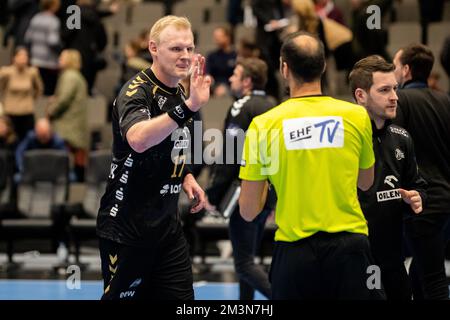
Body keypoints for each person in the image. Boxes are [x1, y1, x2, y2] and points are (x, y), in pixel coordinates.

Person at [238, 31, 383, 300]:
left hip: (295, 255)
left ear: (284, 68)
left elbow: (248, 211)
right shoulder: (357, 116)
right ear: (324, 65)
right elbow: (366, 182)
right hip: (351, 251)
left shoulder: (263, 126)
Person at [96, 15, 211, 300]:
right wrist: (189, 106)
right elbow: (138, 139)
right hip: (127, 229)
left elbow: (170, 144)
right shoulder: (136, 91)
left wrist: (185, 175)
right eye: (176, 49)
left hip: (167, 229)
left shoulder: (181, 92)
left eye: (189, 48)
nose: (185, 56)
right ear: (154, 49)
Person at [349, 55, 427, 300]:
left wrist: (416, 198)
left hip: (392, 260)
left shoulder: (402, 137)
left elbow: (418, 186)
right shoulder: (343, 142)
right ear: (360, 95)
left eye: (395, 88)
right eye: (384, 90)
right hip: (353, 260)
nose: (395, 96)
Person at [205, 57, 275, 300]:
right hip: (269, 193)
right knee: (248, 255)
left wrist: (213, 193)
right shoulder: (272, 105)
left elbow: (230, 155)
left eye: (235, 74)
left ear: (246, 81)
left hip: (245, 192)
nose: (231, 79)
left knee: (243, 263)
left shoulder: (241, 106)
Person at [393, 43, 450, 300]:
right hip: (446, 202)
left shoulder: (401, 101)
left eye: (394, 66)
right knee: (422, 268)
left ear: (405, 70)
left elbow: (396, 150)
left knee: (433, 278)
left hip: (421, 201)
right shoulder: (445, 99)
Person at [47, 49, 88, 182]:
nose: (59, 60)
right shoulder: (77, 76)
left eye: (62, 57)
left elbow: (64, 99)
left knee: (66, 161)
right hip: (75, 126)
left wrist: (51, 110)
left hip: (67, 126)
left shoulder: (69, 76)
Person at [0, 47, 43, 142]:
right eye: (20, 56)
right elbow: (1, 87)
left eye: (25, 56)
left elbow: (39, 89)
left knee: (28, 139)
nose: (23, 58)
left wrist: (31, 100)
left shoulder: (32, 72)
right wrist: (4, 101)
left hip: (27, 112)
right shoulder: (6, 72)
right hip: (11, 112)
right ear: (14, 57)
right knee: (10, 139)